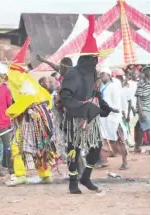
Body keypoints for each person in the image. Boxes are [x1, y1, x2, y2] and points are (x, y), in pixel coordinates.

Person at [60, 15, 116, 194]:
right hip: (75, 119)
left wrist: (106, 108)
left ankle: (86, 177)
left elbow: (96, 94)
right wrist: (82, 107)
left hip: (90, 118)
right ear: (90, 59)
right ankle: (73, 182)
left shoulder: (92, 73)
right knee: (73, 150)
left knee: (96, 146)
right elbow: (65, 97)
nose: (97, 62)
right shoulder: (73, 73)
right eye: (95, 59)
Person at [99, 67, 129, 170]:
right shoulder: (102, 86)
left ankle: (125, 162)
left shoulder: (113, 86)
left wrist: (116, 110)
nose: (101, 76)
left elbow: (117, 101)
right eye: (101, 74)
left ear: (108, 75)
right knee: (105, 138)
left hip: (114, 117)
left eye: (103, 74)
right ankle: (104, 161)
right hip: (105, 117)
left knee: (119, 140)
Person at [134, 66, 150, 152]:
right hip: (144, 109)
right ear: (144, 73)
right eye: (147, 70)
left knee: (139, 127)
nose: (149, 72)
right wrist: (140, 112)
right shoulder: (141, 84)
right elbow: (138, 99)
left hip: (148, 108)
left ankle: (137, 147)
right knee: (148, 129)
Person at [127, 69, 140, 147]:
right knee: (131, 126)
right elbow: (130, 97)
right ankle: (131, 142)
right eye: (135, 73)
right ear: (131, 75)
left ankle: (138, 143)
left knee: (139, 127)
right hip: (132, 107)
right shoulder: (129, 83)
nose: (136, 75)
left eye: (137, 73)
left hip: (140, 107)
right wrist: (132, 108)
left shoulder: (139, 83)